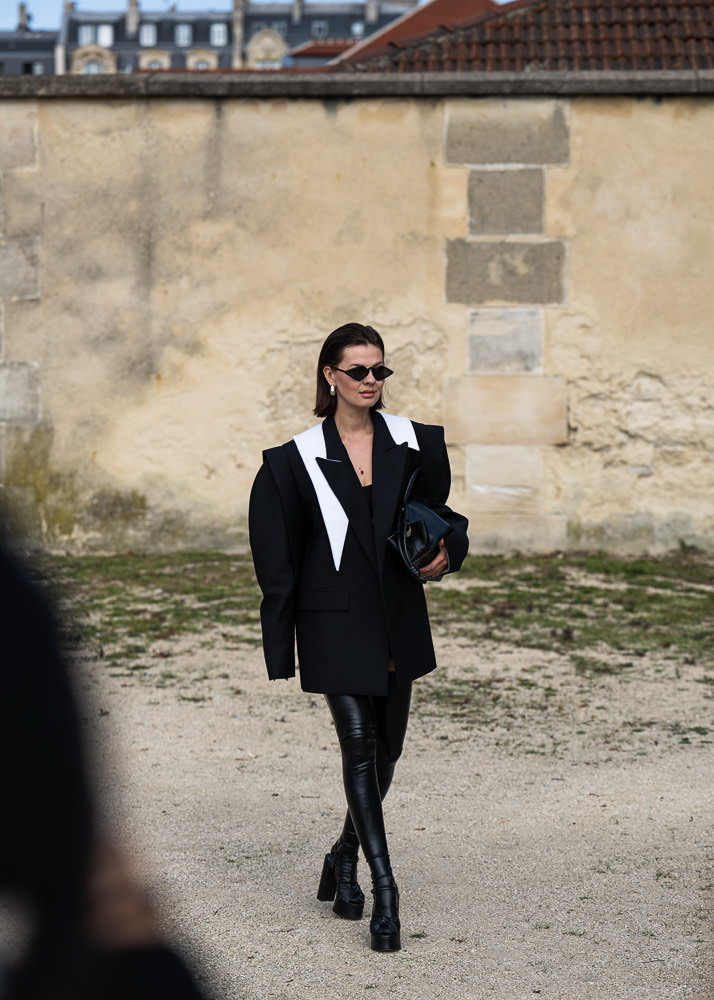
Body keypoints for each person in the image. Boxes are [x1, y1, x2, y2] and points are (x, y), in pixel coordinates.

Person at [249, 322, 469, 952]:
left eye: (380, 371)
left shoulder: (414, 441)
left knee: (389, 752)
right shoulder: (289, 462)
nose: (372, 381)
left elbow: (443, 519)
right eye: (359, 371)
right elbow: (277, 564)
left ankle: (342, 855)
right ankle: (385, 890)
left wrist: (449, 552)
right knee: (361, 748)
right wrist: (281, 648)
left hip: (397, 616)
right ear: (330, 377)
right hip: (331, 623)